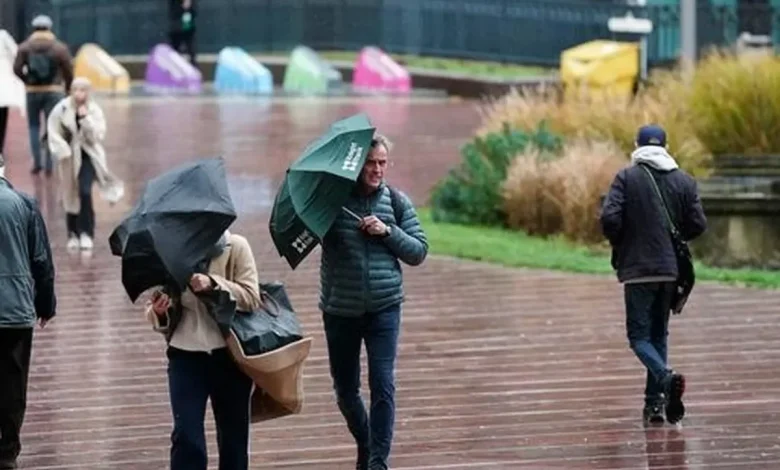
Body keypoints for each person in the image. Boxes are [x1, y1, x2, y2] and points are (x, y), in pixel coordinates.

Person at [319, 134, 428, 470]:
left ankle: (378, 463)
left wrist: (387, 232)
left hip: (384, 307)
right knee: (346, 392)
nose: (378, 169)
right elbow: (307, 238)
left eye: (382, 163)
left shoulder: (396, 201)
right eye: (371, 163)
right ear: (356, 165)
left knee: (383, 383)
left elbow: (419, 251)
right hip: (340, 310)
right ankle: (367, 444)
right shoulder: (332, 206)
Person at [600, 125, 707, 426]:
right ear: (666, 145)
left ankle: (664, 377)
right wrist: (674, 239)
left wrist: (623, 240)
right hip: (670, 270)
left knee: (638, 337)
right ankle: (654, 406)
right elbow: (698, 224)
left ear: (636, 145)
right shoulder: (684, 180)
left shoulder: (626, 178)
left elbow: (609, 218)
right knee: (659, 335)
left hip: (637, 270)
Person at [145, 230, 261, 470]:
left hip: (230, 355)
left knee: (234, 442)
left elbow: (252, 297)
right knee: (187, 437)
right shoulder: (170, 252)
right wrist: (158, 311)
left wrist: (214, 283)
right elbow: (154, 308)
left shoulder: (236, 247)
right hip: (185, 355)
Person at [0, 153, 56, 470]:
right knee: (12, 380)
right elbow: (41, 262)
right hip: (16, 308)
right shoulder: (24, 204)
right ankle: (7, 450)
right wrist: (45, 304)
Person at [47, 77, 124, 251]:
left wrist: (85, 119)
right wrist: (62, 149)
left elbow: (97, 136)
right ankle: (72, 233)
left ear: (89, 92)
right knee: (69, 194)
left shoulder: (94, 110)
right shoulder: (61, 109)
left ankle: (87, 233)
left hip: (88, 156)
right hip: (68, 158)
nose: (79, 94)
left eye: (83, 90)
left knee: (85, 191)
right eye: (75, 90)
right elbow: (53, 131)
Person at [13, 14, 73, 176]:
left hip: (32, 92)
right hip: (54, 91)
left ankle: (37, 163)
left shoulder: (25, 47)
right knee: (52, 127)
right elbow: (69, 70)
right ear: (49, 28)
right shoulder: (59, 47)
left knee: (33, 127)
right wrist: (67, 89)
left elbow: (16, 69)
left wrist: (27, 81)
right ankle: (49, 165)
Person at [0, 29, 26, 160]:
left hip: (3, 84)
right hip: (3, 85)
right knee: (2, 117)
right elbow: (16, 53)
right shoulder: (3, 36)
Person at [168, 0, 197, 67]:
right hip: (176, 29)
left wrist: (189, 6)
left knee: (191, 50)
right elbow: (172, 13)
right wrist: (182, 7)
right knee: (176, 51)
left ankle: (194, 68)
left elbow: (194, 12)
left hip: (188, 28)